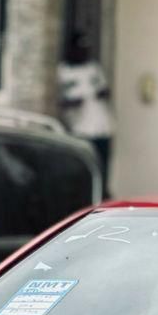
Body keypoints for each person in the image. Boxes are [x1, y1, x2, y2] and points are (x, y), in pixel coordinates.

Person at [57, 33, 115, 196]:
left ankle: (102, 196)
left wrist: (99, 93)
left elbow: (106, 91)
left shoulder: (93, 68)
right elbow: (60, 100)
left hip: (101, 129)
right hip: (80, 130)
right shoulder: (63, 71)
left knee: (102, 169)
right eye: (80, 49)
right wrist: (75, 101)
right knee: (82, 172)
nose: (83, 52)